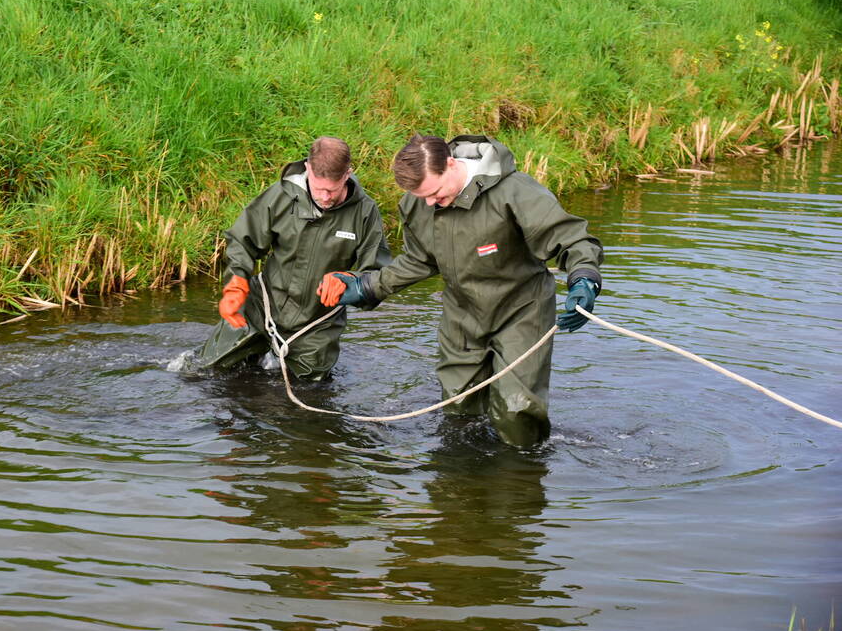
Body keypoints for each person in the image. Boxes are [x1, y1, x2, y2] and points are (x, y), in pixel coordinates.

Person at [320, 134, 603, 446]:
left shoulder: (515, 191)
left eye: (435, 193)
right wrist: (366, 287)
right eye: (421, 196)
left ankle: (522, 478)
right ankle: (460, 485)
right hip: (461, 316)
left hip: (521, 311)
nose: (428, 203)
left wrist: (584, 279)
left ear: (451, 164)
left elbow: (573, 239)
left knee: (516, 412)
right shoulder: (418, 203)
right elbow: (418, 260)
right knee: (457, 412)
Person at [197, 137, 391, 381]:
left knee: (308, 393)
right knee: (206, 373)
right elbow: (243, 241)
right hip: (261, 307)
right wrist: (236, 283)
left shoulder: (365, 212)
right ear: (308, 169)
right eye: (319, 188)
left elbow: (377, 274)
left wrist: (350, 281)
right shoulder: (280, 196)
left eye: (332, 189)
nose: (325, 197)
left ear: (347, 174)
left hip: (317, 323)